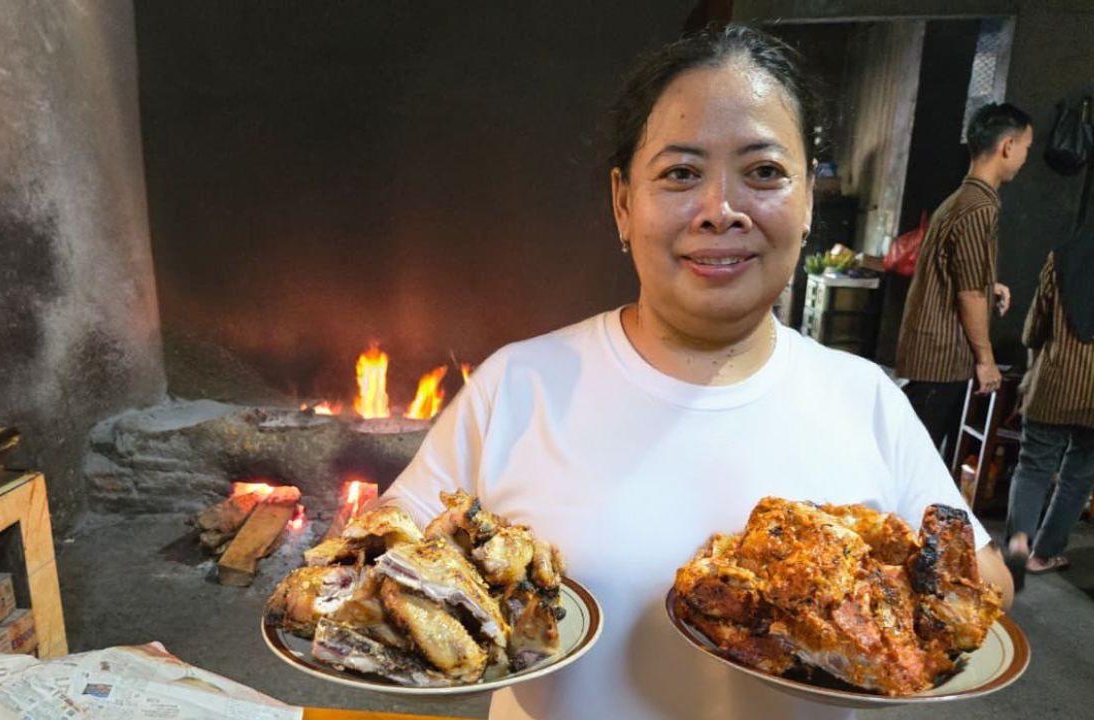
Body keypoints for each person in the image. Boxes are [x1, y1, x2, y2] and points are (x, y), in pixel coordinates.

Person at [381, 25, 1013, 720]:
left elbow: (987, 586)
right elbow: (384, 544)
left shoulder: (865, 398)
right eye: (681, 174)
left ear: (808, 199)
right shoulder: (519, 384)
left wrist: (869, 596)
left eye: (764, 172)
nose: (721, 211)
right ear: (623, 203)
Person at [894, 103, 1033, 461]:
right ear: (1007, 146)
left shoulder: (962, 200)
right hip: (942, 359)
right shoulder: (978, 207)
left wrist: (990, 285)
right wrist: (986, 360)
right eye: (1026, 147)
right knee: (913, 463)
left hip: (933, 354)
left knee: (914, 458)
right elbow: (968, 292)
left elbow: (961, 273)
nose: (1025, 157)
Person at [1004, 230, 1094, 589]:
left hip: (1054, 381)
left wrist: (1033, 350)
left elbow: (1036, 324)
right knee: (1079, 474)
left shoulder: (1063, 256)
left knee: (1033, 466)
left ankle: (1018, 543)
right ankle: (1045, 553)